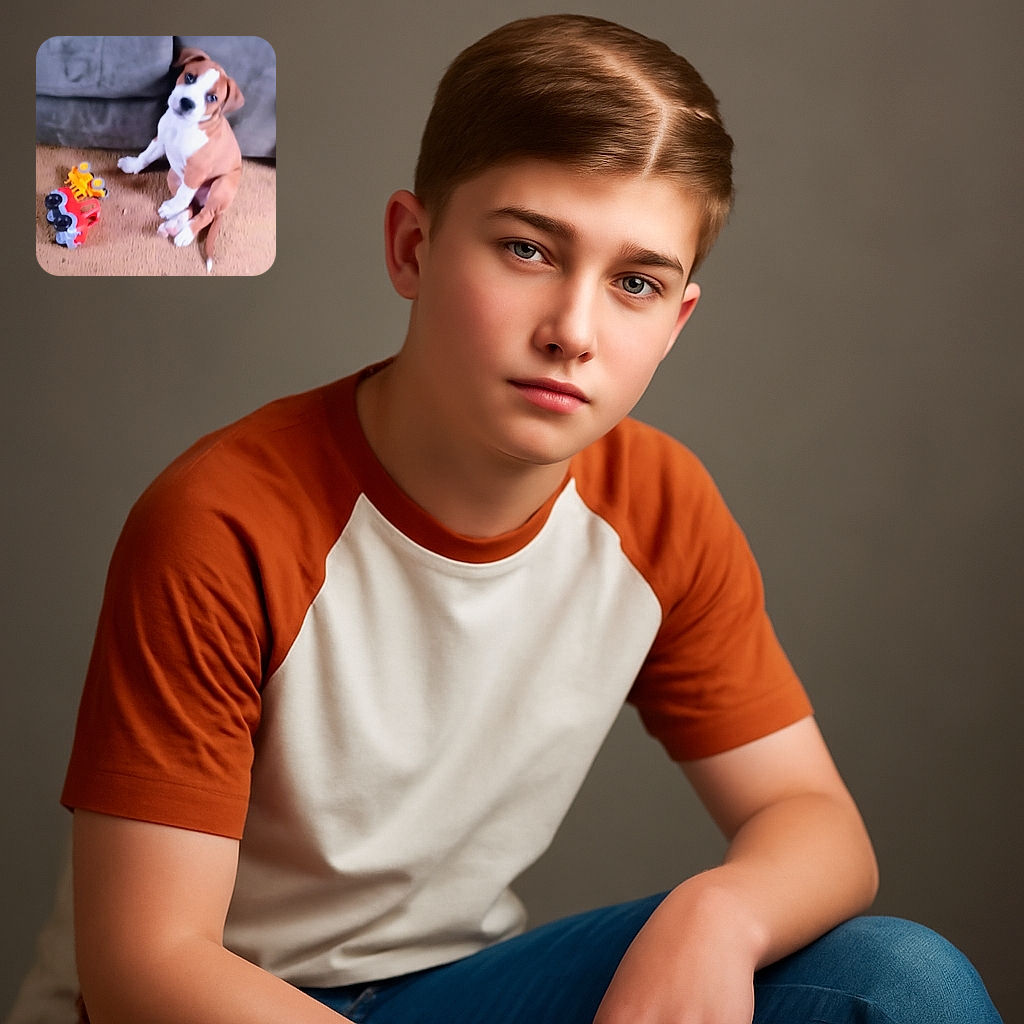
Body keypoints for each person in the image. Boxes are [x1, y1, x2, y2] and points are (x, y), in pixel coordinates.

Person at [61, 14, 1002, 1024]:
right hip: (218, 1001)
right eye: (527, 249)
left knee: (899, 982)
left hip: (457, 991)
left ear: (676, 321)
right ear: (413, 246)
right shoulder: (224, 523)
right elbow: (145, 965)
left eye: (635, 282)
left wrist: (719, 915)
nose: (573, 331)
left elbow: (815, 821)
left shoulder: (657, 508)